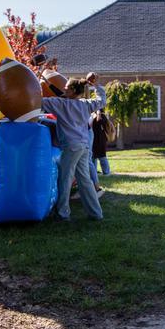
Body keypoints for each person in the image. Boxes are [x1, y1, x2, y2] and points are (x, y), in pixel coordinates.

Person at [41, 77, 106, 221]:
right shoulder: (85, 104)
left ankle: (63, 214)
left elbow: (39, 101)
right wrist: (96, 85)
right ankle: (96, 213)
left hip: (71, 147)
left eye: (67, 87)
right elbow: (102, 100)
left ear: (73, 90)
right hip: (84, 146)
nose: (64, 88)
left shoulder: (60, 104)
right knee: (85, 180)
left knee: (65, 179)